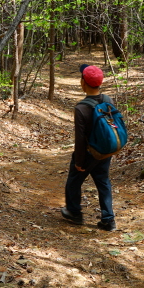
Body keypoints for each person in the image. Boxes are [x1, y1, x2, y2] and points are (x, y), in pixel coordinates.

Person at [60, 64, 116, 231]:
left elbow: (80, 139)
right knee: (103, 182)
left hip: (88, 154)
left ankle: (74, 212)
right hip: (105, 151)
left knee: (74, 181)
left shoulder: (81, 108)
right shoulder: (108, 100)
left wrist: (79, 161)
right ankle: (108, 220)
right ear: (100, 83)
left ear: (83, 82)